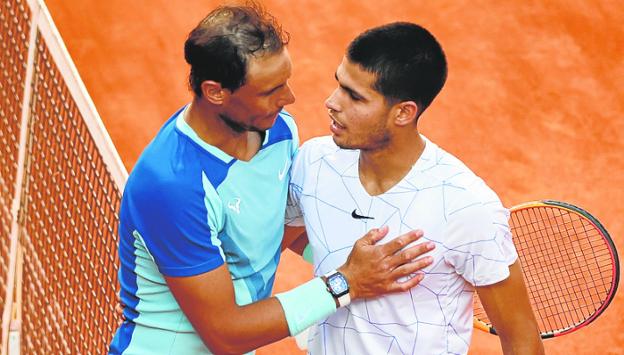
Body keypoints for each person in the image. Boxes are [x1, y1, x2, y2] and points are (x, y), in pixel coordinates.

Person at [109, 4, 435, 355]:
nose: (289, 98)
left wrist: (380, 264)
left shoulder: (278, 131)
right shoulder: (172, 185)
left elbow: (273, 233)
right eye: (270, 91)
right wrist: (345, 282)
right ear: (216, 92)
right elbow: (226, 335)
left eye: (285, 82)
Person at [286, 22, 545, 354]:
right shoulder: (314, 162)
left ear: (403, 113)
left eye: (355, 96)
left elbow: (522, 340)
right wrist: (350, 274)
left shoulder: (466, 206)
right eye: (340, 85)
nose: (332, 102)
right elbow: (283, 237)